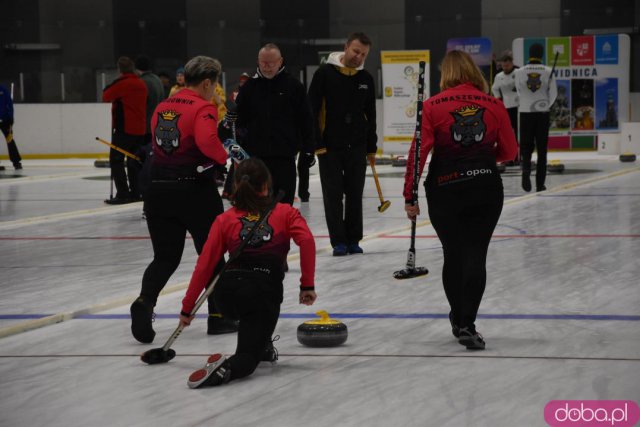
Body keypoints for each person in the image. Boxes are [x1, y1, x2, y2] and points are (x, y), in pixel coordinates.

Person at [402, 50, 517, 350]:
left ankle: (458, 319)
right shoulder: (494, 105)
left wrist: (409, 195)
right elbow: (510, 152)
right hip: (485, 188)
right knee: (476, 254)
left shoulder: (430, 106)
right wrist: (480, 158)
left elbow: (419, 153)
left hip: (445, 189)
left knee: (453, 254)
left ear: (447, 73)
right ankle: (467, 322)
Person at [179, 158, 317, 388]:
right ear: (266, 186)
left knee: (254, 322)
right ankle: (226, 368)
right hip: (260, 293)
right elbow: (308, 242)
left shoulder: (225, 219)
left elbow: (204, 265)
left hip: (225, 296)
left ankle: (261, 344)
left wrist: (187, 307)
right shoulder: (285, 213)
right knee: (247, 358)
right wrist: (307, 285)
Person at [130, 55, 238, 344]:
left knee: (165, 257)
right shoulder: (204, 107)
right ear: (206, 83)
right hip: (193, 191)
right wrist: (226, 159)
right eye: (213, 85)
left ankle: (144, 302)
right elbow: (206, 142)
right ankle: (219, 317)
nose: (213, 90)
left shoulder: (163, 106)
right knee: (212, 253)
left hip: (157, 190)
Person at [308, 32, 377, 256]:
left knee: (355, 194)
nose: (359, 57)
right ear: (346, 47)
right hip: (329, 148)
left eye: (364, 54)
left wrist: (371, 146)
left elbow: (371, 115)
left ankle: (354, 239)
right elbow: (312, 110)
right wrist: (317, 143)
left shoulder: (366, 78)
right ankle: (338, 240)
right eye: (356, 51)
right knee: (333, 195)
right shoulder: (324, 74)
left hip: (356, 147)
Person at [235, 43, 315, 206]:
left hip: (284, 159)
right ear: (258, 61)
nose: (267, 66)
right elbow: (239, 121)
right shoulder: (249, 88)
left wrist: (308, 149)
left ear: (280, 61)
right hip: (256, 161)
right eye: (264, 62)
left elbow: (306, 120)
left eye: (272, 62)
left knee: (283, 207)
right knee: (255, 206)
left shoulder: (294, 86)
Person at [102, 56, 147, 204]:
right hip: (139, 129)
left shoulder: (122, 83)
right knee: (133, 161)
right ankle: (136, 192)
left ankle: (123, 193)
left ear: (119, 70)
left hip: (124, 129)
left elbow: (106, 96)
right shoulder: (141, 83)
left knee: (116, 160)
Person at [514, 43, 557, 192]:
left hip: (525, 112)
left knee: (526, 146)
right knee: (542, 149)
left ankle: (526, 172)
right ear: (542, 55)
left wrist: (526, 103)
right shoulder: (548, 71)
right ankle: (540, 184)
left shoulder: (519, 71)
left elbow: (519, 91)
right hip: (542, 113)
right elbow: (554, 94)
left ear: (529, 54)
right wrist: (545, 105)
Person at [491, 50, 519, 165]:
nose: (505, 67)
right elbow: (494, 88)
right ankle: (508, 157)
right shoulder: (499, 76)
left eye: (507, 65)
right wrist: (498, 99)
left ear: (512, 63)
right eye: (503, 65)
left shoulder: (518, 73)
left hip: (518, 107)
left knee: (518, 133)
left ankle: (518, 157)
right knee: (507, 133)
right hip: (505, 108)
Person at [135, 55, 166, 144]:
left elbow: (140, 105)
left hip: (146, 127)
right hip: (157, 124)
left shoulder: (141, 82)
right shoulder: (157, 79)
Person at [0, 84, 22, 170]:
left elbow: (9, 104)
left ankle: (16, 162)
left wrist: (11, 118)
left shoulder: (3, 90)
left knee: (10, 140)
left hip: (5, 120)